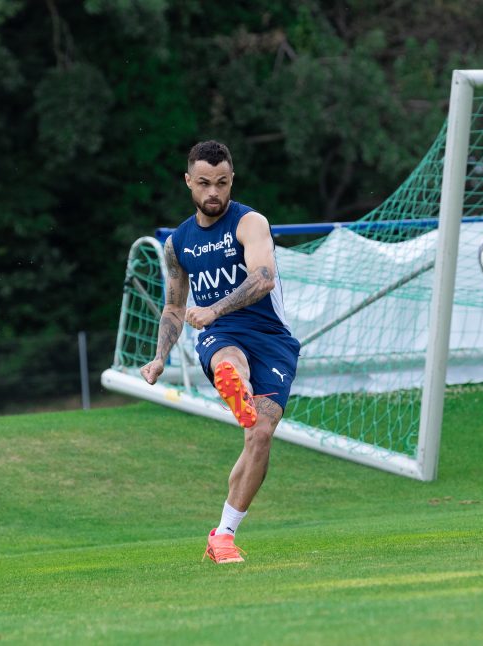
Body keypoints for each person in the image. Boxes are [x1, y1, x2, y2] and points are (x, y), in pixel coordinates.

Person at [140, 140, 300, 564]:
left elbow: (263, 277)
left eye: (223, 183)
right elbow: (174, 306)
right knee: (229, 359)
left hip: (271, 336)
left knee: (260, 434)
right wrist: (160, 357)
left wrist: (213, 308)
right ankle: (238, 386)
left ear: (232, 181)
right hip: (221, 333)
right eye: (205, 184)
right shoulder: (179, 243)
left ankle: (223, 534)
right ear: (189, 182)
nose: (214, 193)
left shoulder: (250, 223)